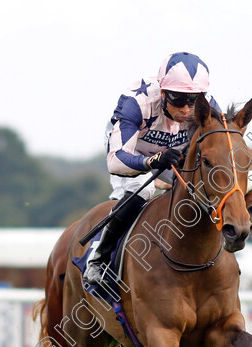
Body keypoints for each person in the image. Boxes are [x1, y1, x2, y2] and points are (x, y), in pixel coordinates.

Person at [83, 52, 222, 286]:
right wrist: (152, 162)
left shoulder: (207, 108)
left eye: (193, 100)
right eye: (178, 99)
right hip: (133, 150)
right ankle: (98, 259)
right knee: (142, 190)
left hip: (174, 152)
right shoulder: (136, 103)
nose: (187, 109)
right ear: (164, 92)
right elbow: (116, 160)